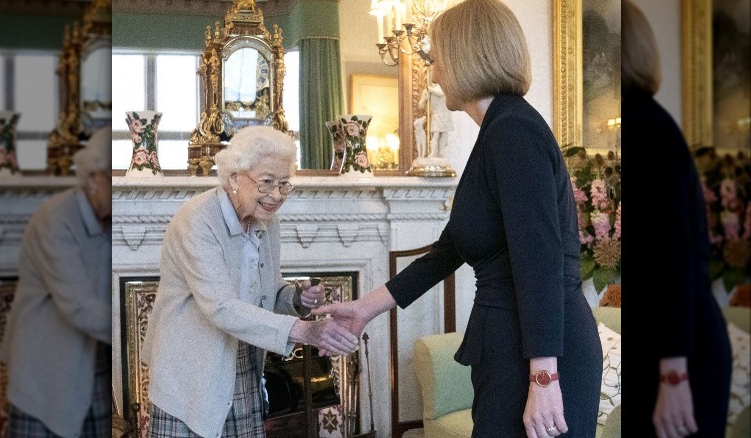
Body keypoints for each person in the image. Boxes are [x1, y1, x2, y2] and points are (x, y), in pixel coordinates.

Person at [315, 1, 602, 437]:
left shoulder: (513, 132)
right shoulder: (499, 130)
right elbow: (449, 250)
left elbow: (539, 260)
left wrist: (544, 377)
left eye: (438, 59)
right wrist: (364, 308)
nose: (433, 73)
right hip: (511, 348)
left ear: (468, 56)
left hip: (538, 358)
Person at [141, 125, 359, 438]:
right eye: (267, 182)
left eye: (284, 184)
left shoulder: (266, 221)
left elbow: (266, 291)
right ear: (233, 178)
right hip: (191, 368)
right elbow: (221, 307)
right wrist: (305, 331)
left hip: (242, 360)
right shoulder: (196, 221)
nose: (277, 195)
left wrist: (295, 300)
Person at [621, 2, 732, 436]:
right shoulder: (647, 122)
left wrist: (673, 374)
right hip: (674, 350)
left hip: (678, 360)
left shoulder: (645, 127)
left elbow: (672, 258)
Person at [1, 126, 113, 438]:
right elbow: (78, 306)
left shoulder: (109, 219)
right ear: (92, 178)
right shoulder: (55, 219)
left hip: (91, 366)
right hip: (46, 369)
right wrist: (127, 331)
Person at [417, 83, 454, 158]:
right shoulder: (427, 91)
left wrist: (430, 90)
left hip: (445, 112)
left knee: (444, 134)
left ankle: (441, 152)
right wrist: (425, 99)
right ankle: (433, 153)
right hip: (436, 114)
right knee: (436, 134)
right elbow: (420, 106)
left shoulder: (444, 88)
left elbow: (440, 93)